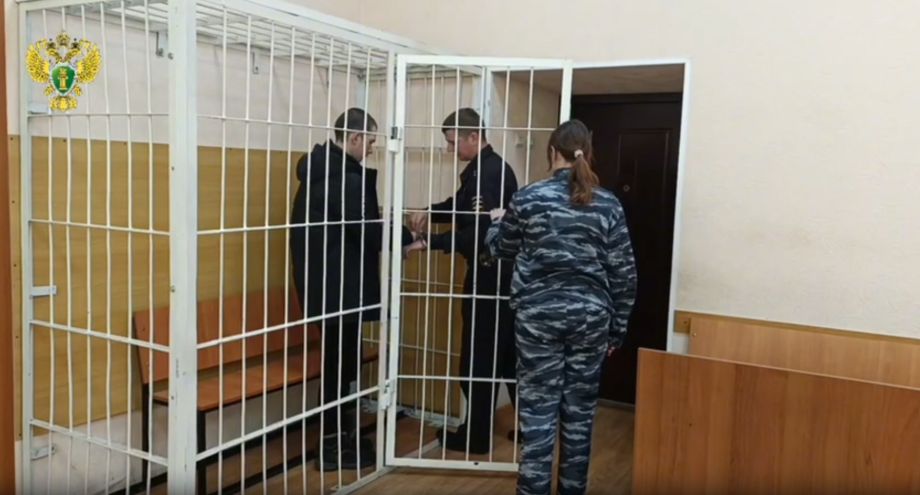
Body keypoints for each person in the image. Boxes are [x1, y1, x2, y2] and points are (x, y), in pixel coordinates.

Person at [485, 119, 637, 495]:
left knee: (537, 416)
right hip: (591, 320)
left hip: (538, 319)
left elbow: (501, 249)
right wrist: (616, 330)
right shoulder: (608, 204)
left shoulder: (528, 198)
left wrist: (496, 224)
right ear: (587, 153)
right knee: (579, 418)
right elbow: (625, 274)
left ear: (552, 152)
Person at [290, 108, 416, 471]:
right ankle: (332, 445)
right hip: (340, 289)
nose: (373, 148)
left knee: (342, 364)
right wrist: (408, 235)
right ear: (356, 138)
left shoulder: (322, 171)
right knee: (340, 368)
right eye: (371, 141)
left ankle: (339, 437)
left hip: (326, 284)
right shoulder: (344, 178)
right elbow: (369, 230)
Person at [405, 108, 519, 454]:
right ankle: (530, 427)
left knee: (480, 357)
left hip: (490, 276)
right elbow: (460, 207)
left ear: (474, 136)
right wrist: (430, 211)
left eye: (454, 142)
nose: (450, 148)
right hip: (502, 276)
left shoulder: (489, 173)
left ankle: (476, 435)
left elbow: (480, 233)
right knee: (505, 356)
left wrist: (431, 241)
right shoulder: (486, 169)